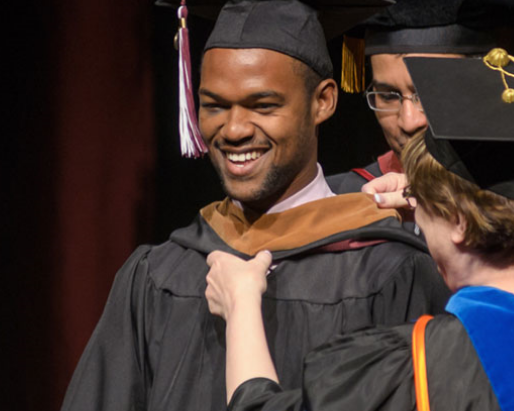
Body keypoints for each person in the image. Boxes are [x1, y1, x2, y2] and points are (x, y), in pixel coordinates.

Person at [60, 1, 449, 411]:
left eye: (263, 106)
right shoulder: (157, 276)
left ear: (324, 102)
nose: (234, 130)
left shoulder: (393, 274)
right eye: (215, 105)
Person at [205, 56, 514, 410]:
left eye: (422, 202)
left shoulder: (422, 366)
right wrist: (436, 205)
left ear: (458, 223)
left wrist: (241, 305)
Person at [326, 0, 514, 269]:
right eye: (388, 96)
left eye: (431, 93)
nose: (409, 120)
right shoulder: (345, 200)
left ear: (486, 84)